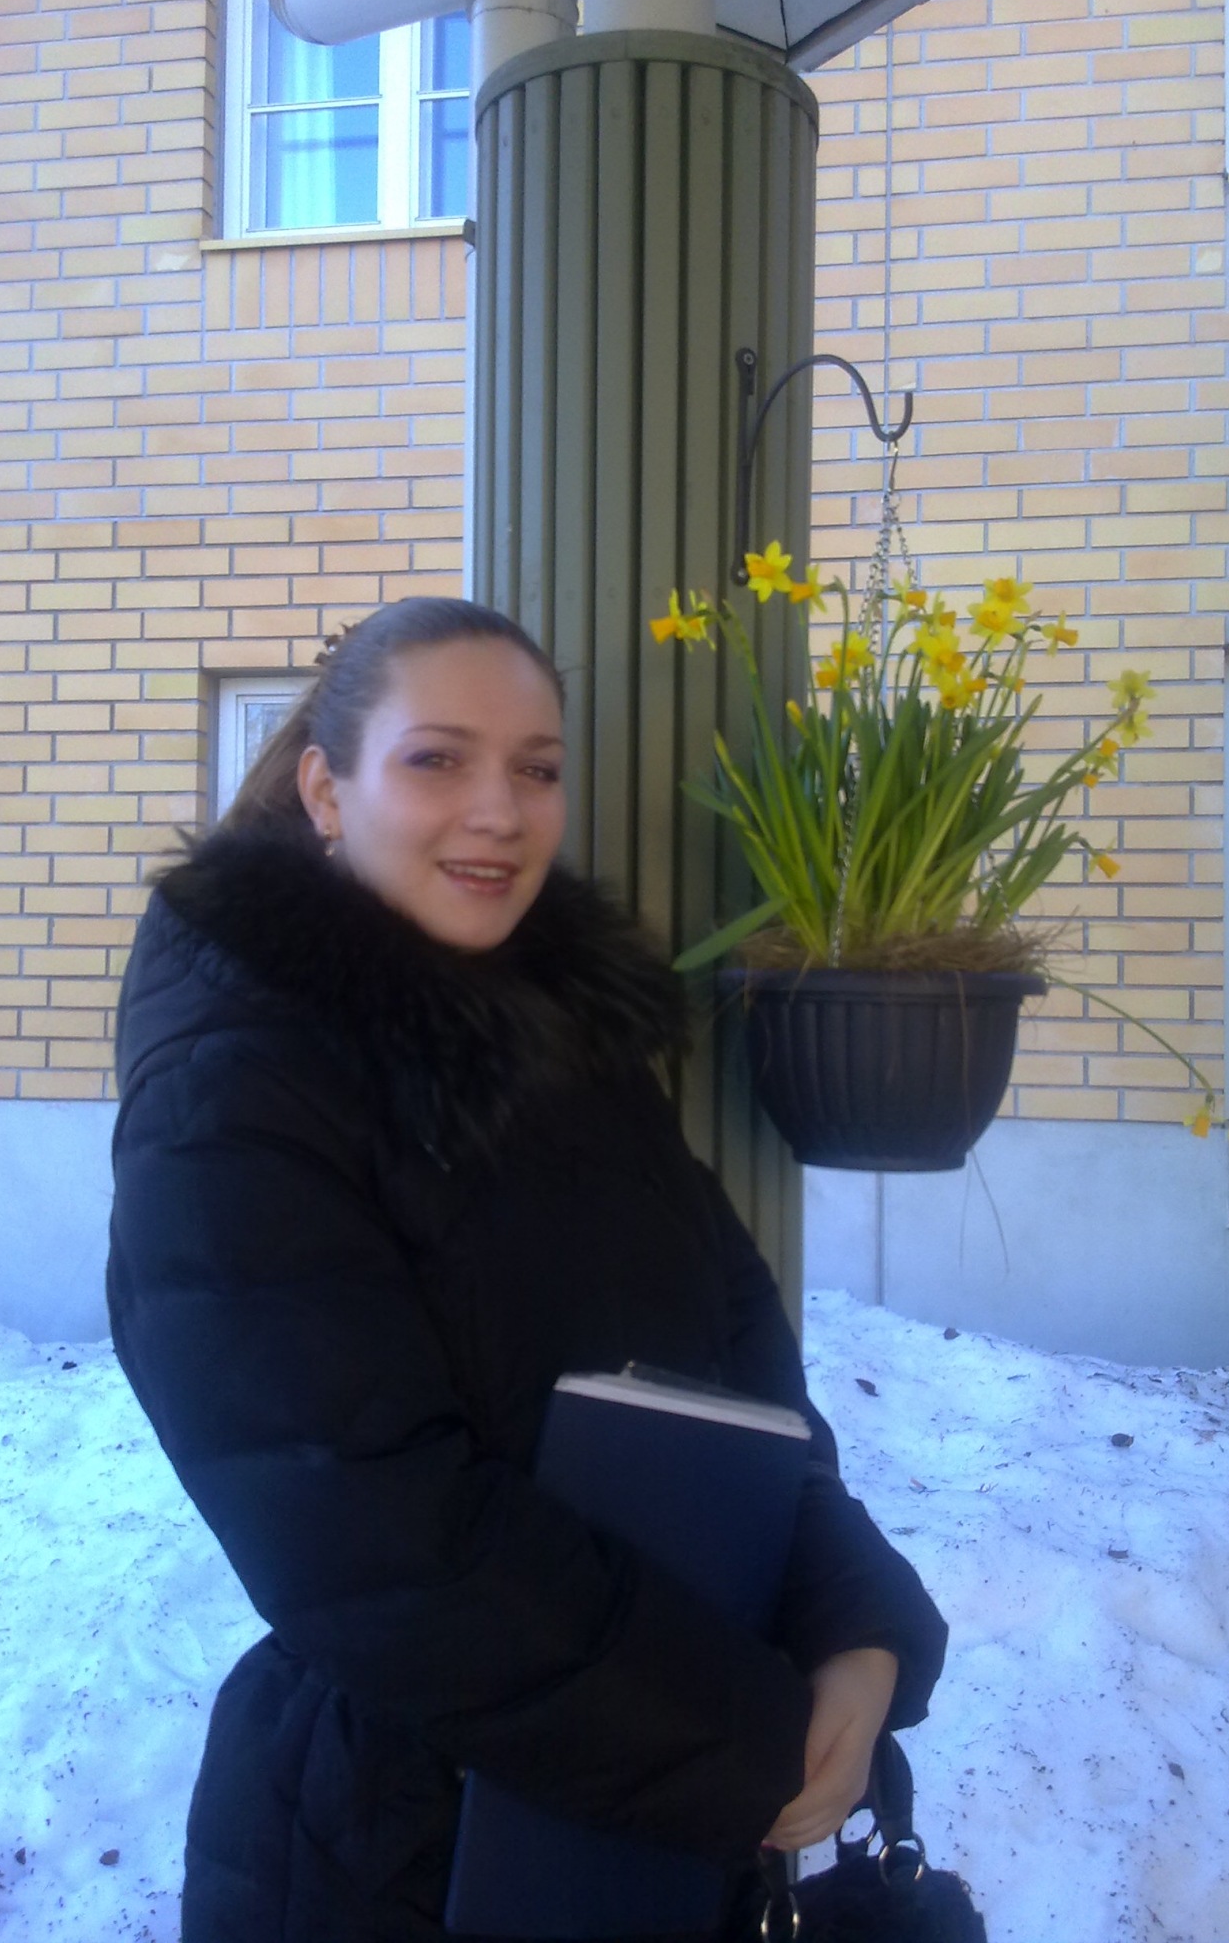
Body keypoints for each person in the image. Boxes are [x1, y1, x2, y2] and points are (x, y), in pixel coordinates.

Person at [107, 596, 947, 1943]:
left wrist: (852, 1623)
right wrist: (744, 1738)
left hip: (664, 1823)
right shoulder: (232, 1095)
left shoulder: (565, 1039)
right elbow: (374, 1539)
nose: (498, 811)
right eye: (436, 759)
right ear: (324, 787)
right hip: (399, 1857)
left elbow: (736, 1350)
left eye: (538, 769)